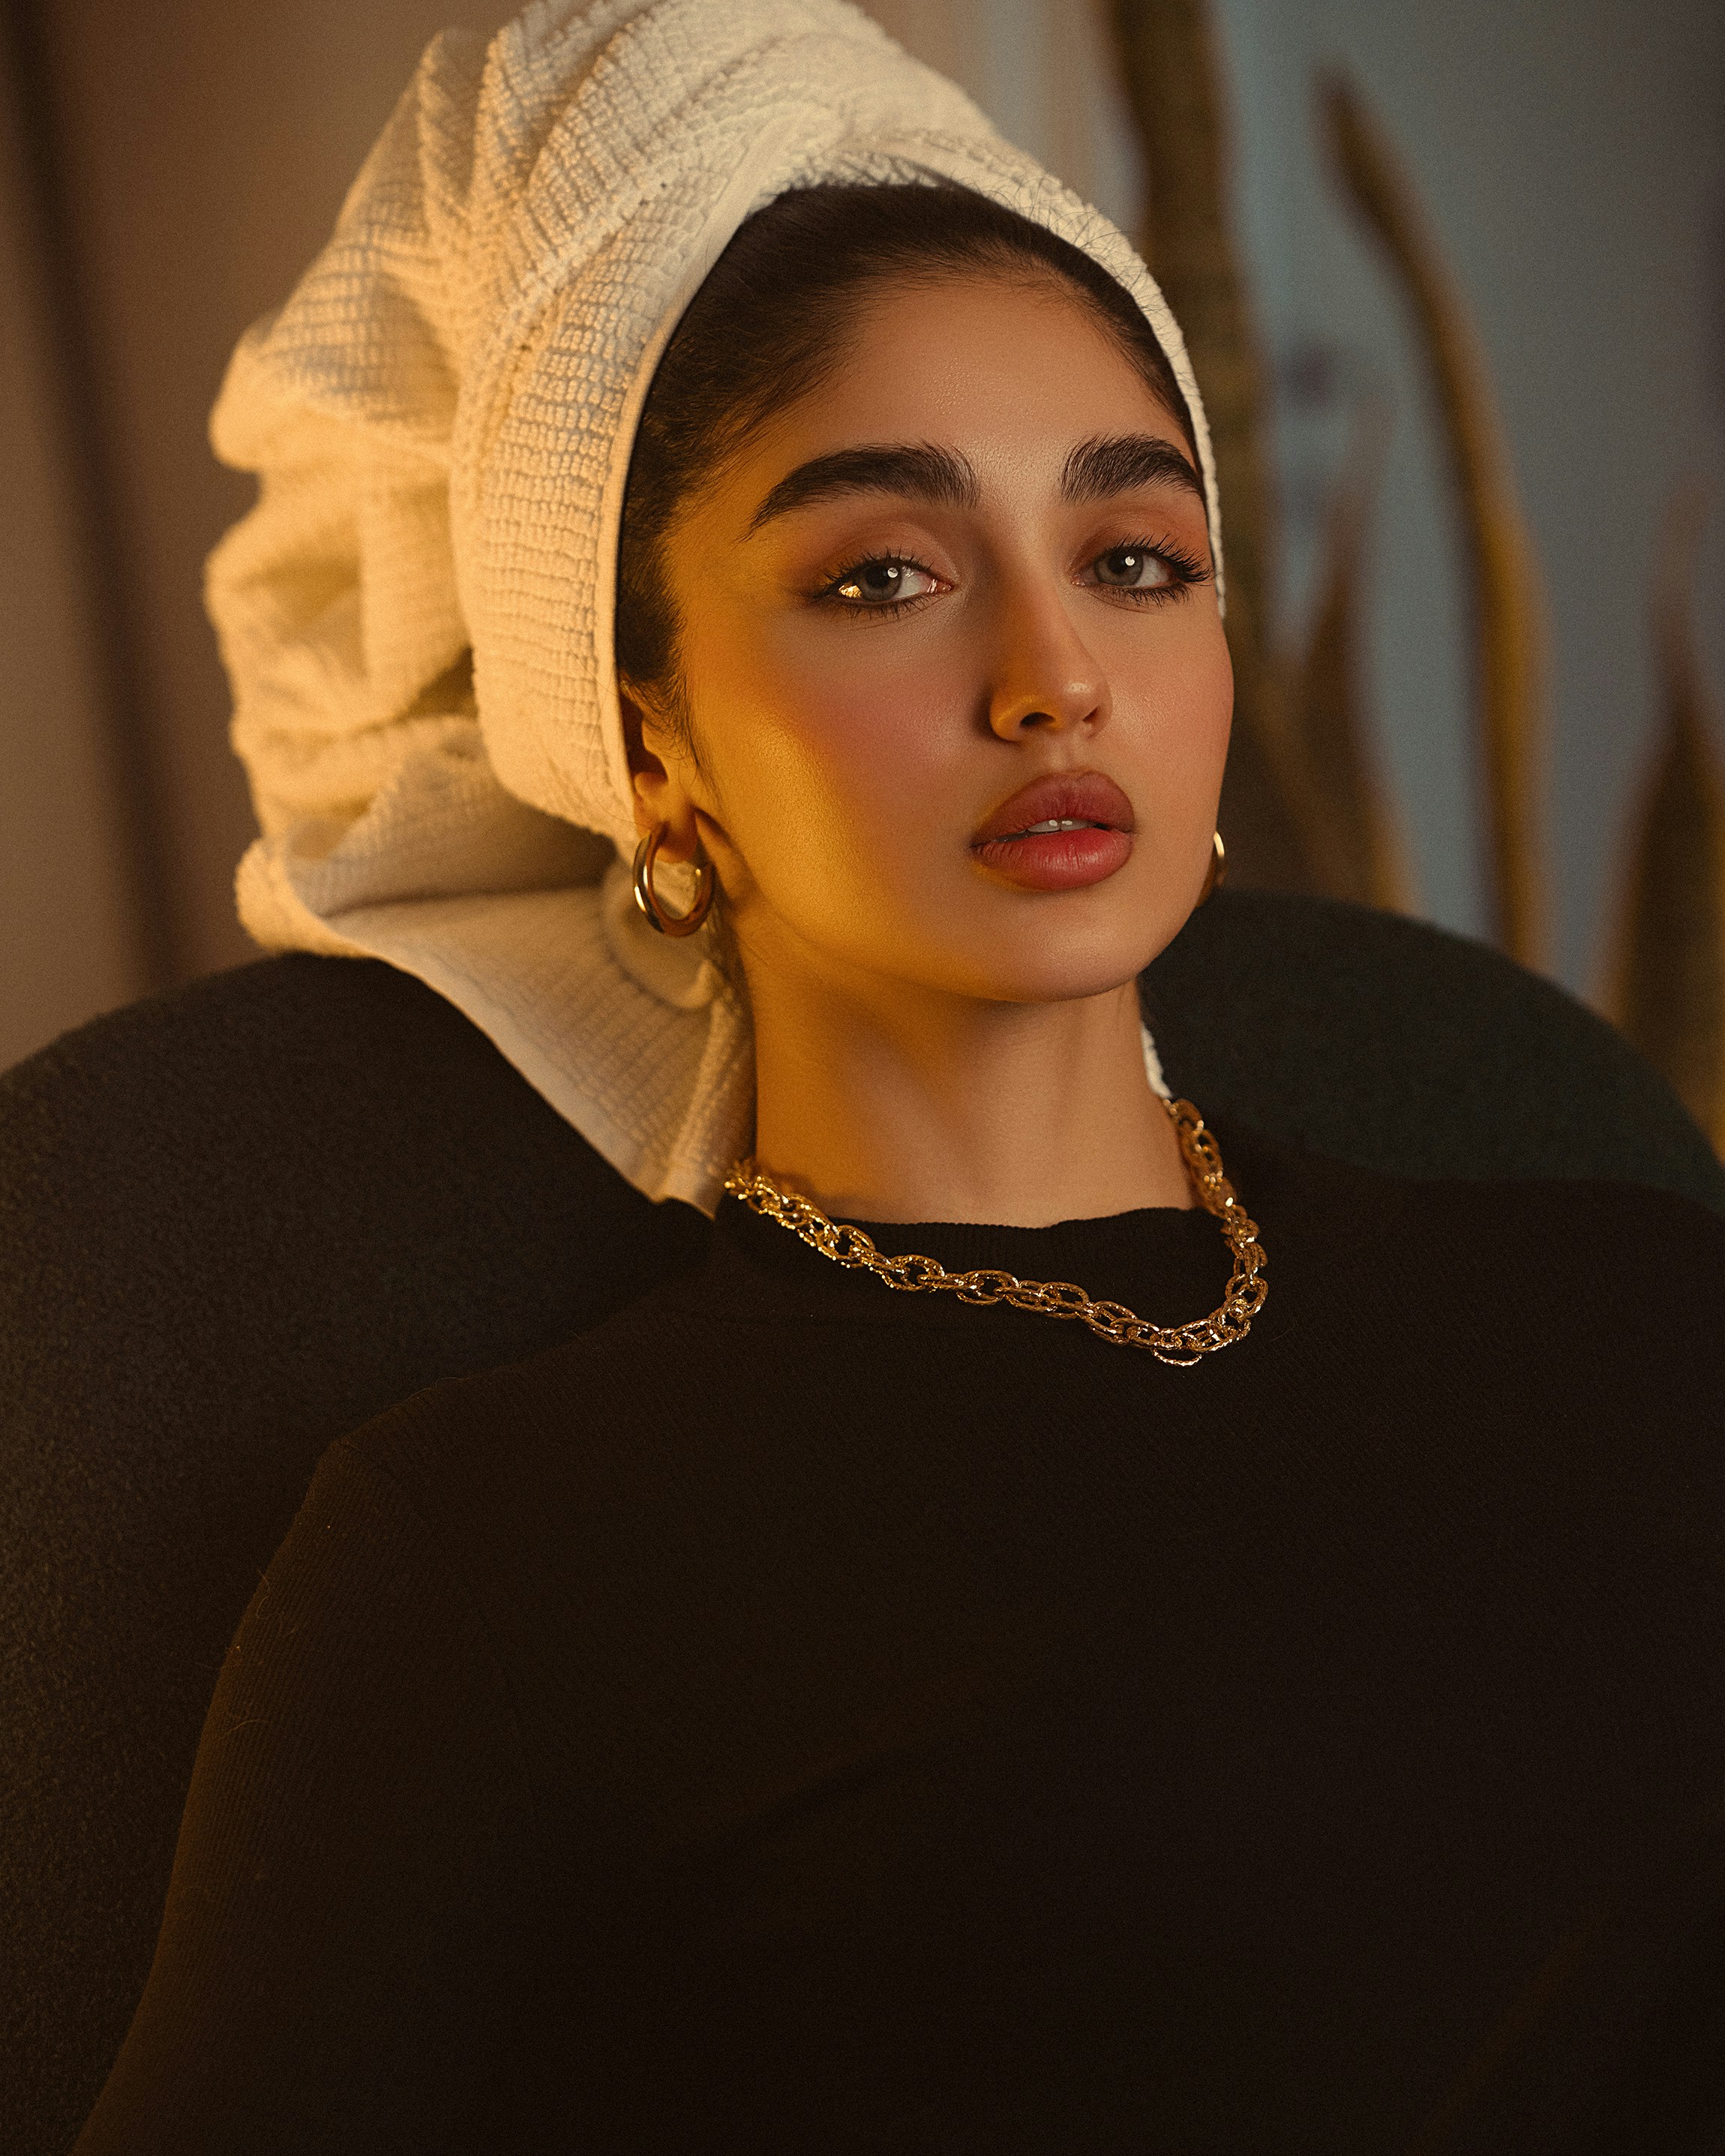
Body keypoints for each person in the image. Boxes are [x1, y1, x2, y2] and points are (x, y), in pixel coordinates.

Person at [74, 4, 1725, 2150]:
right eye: (883, 576)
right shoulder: (504, 1554)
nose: (1054, 678)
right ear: (649, 745)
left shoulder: (1634, 1297)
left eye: (1134, 560)